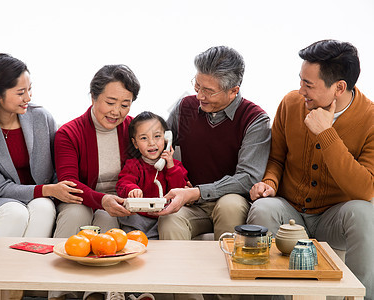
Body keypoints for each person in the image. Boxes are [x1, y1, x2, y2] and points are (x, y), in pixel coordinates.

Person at [247, 40, 374, 300]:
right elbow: (277, 159)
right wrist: (269, 183)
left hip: (334, 217)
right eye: (300, 80)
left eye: (309, 84)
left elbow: (365, 189)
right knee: (262, 209)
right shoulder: (290, 104)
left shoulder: (370, 118)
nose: (300, 90)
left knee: (364, 213)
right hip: (289, 210)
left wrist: (327, 134)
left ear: (339, 87)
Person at [0, 53, 81, 248]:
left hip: (39, 195)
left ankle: (25, 275)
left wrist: (55, 190)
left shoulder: (41, 118)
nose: (28, 98)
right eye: (21, 93)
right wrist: (46, 190)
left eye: (29, 90)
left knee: (44, 207)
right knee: (15, 213)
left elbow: (57, 165)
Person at [155, 46, 271, 241]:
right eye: (197, 86)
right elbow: (158, 144)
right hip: (191, 203)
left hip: (231, 200)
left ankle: (227, 271)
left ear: (234, 90)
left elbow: (248, 178)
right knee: (169, 219)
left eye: (208, 91)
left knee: (229, 206)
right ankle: (175, 272)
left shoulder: (255, 119)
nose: (199, 96)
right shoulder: (186, 107)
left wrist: (197, 192)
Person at [54, 64, 140, 237]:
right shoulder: (69, 133)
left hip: (119, 202)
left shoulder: (135, 129)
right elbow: (69, 184)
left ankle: (104, 264)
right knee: (76, 214)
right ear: (93, 97)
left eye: (125, 105)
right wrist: (102, 200)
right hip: (79, 200)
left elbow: (152, 164)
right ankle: (56, 262)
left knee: (107, 218)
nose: (116, 112)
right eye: (110, 103)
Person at [116, 111, 189, 239]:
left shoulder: (175, 166)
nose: (151, 143)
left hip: (164, 218)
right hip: (137, 219)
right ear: (135, 143)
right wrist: (131, 188)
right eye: (144, 138)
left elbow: (180, 190)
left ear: (166, 139)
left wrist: (170, 166)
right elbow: (123, 184)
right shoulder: (133, 165)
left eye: (157, 136)